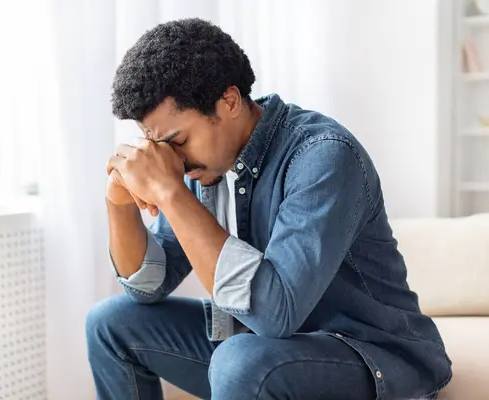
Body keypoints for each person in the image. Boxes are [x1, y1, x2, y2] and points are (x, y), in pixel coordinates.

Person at [85, 18, 451, 400]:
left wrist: (171, 194)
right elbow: (148, 288)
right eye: (157, 144)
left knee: (239, 360)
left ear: (228, 101)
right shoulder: (203, 165)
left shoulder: (322, 155)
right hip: (268, 351)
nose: (171, 160)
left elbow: (274, 314)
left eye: (178, 140)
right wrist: (118, 203)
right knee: (109, 324)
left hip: (372, 355)